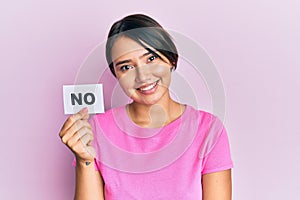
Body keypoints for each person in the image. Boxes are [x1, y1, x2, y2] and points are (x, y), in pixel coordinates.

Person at [59, 14, 233, 200]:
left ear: (171, 59)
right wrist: (84, 160)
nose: (142, 76)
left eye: (151, 59)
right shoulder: (96, 131)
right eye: (126, 67)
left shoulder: (208, 130)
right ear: (116, 75)